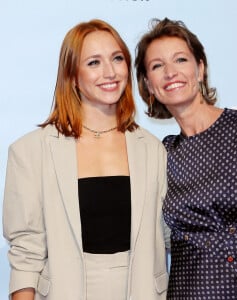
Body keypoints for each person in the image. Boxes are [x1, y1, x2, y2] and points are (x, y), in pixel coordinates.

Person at [2, 19, 170, 300]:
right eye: (94, 62)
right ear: (72, 75)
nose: (110, 72)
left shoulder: (153, 150)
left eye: (117, 58)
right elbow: (26, 253)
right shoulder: (30, 152)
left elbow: (178, 236)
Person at [135, 18, 237, 299]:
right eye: (157, 66)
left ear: (200, 69)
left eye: (180, 60)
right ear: (149, 85)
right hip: (188, 293)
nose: (170, 73)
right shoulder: (162, 152)